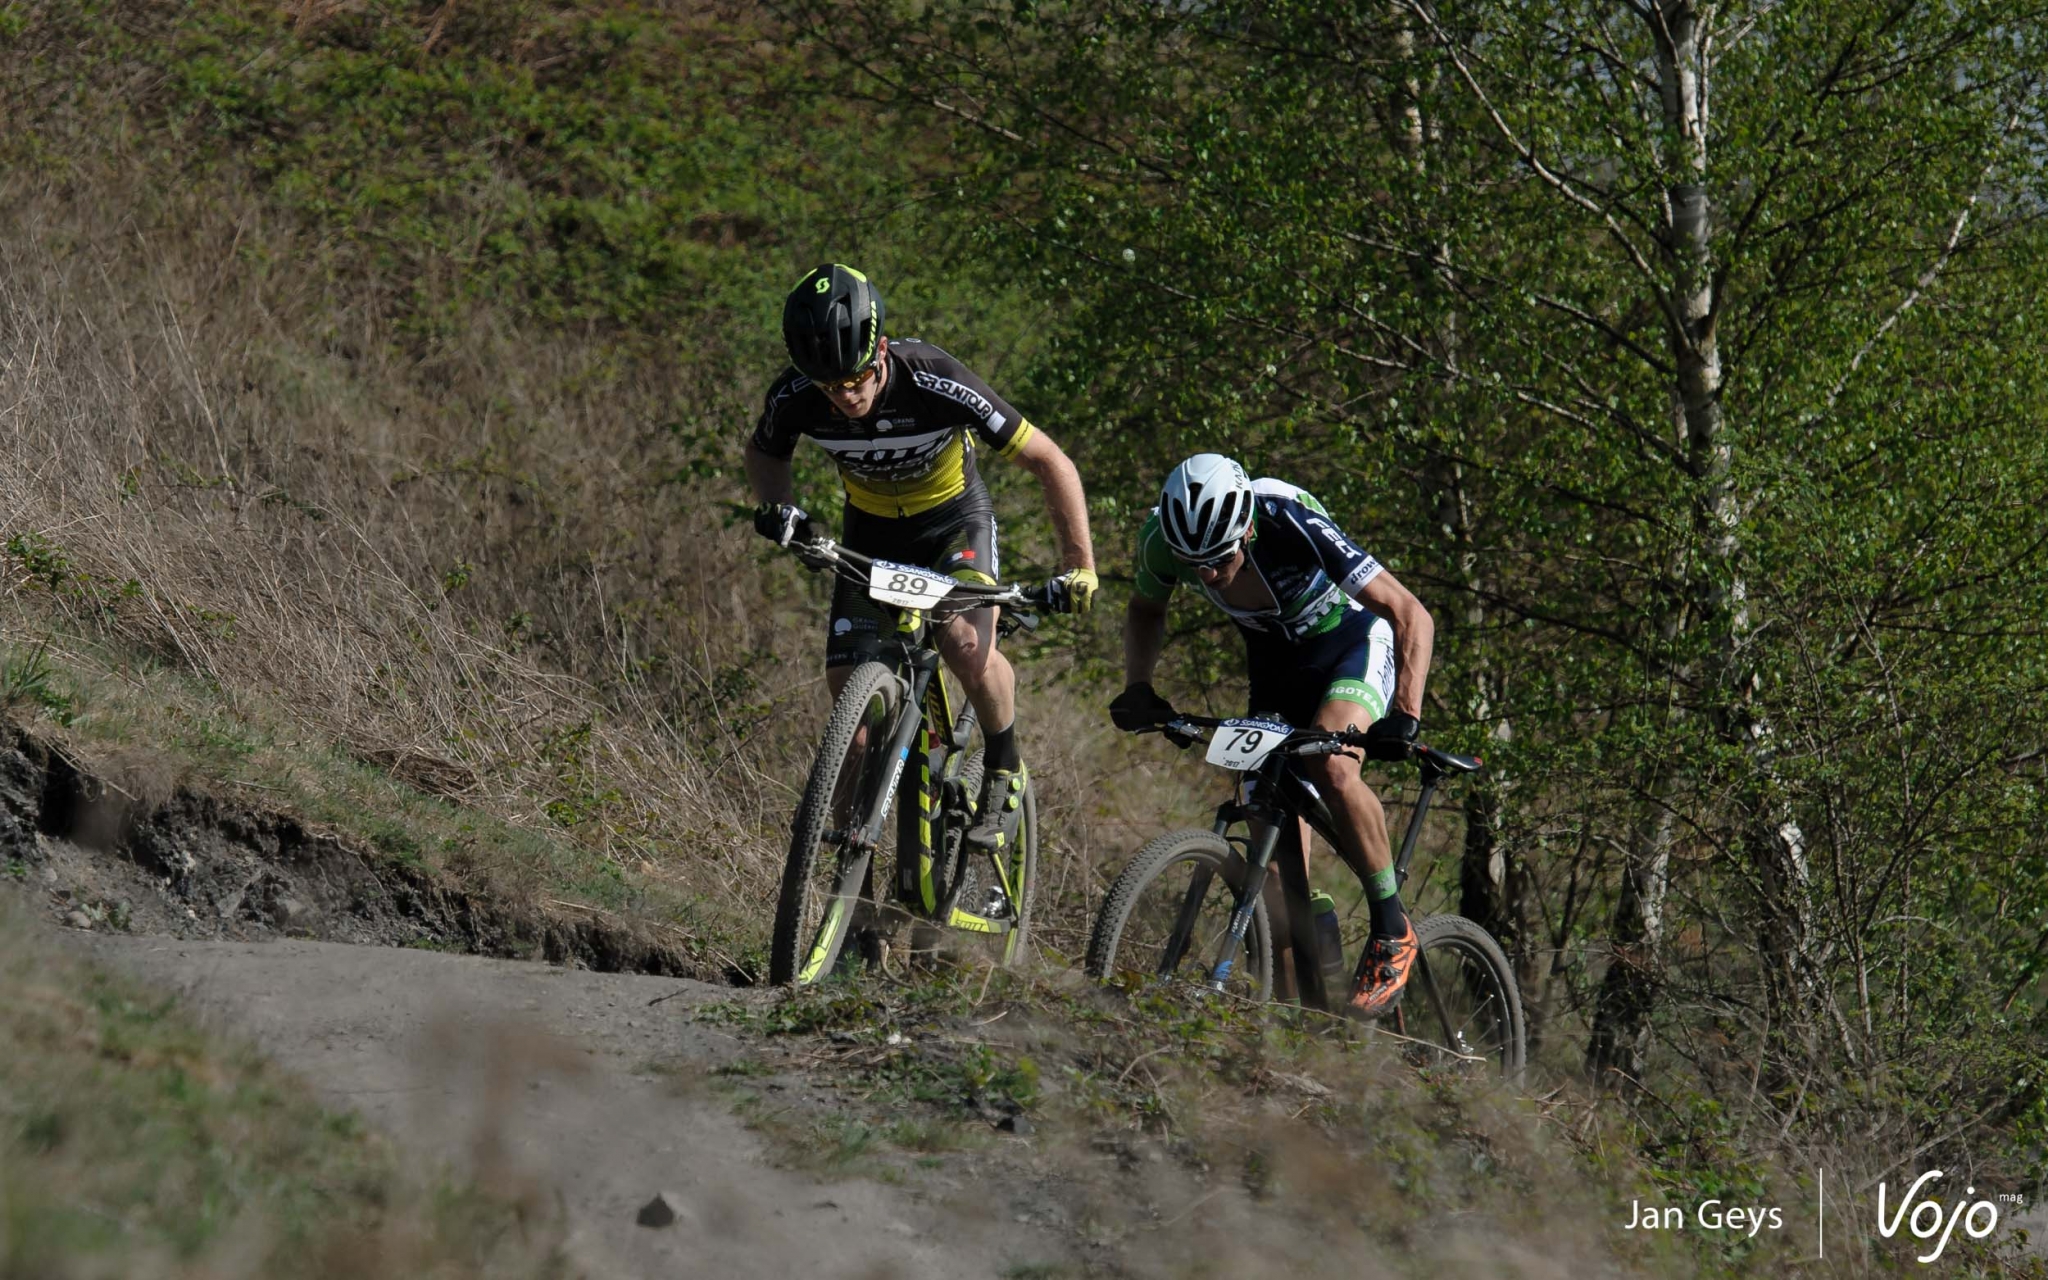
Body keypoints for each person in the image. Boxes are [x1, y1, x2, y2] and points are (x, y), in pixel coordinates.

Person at [746, 263, 1096, 857]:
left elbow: (1050, 461)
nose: (844, 396)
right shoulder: (797, 394)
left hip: (952, 523)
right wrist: (783, 510)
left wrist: (1079, 563)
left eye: (855, 379)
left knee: (964, 645)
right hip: (871, 533)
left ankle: (1004, 769)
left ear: (880, 350)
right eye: (829, 387)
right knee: (850, 722)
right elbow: (764, 452)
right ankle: (842, 884)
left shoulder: (936, 378)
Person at [1108, 453, 1435, 1016]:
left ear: (1247, 528)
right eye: (1195, 565)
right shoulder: (1161, 539)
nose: (1207, 575)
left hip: (1351, 648)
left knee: (1331, 765)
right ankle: (1306, 1030)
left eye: (1218, 558)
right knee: (1274, 877)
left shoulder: (1286, 518)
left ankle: (1391, 925)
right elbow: (1144, 608)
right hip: (1275, 672)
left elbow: (1410, 613)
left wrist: (1405, 712)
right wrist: (1139, 685)